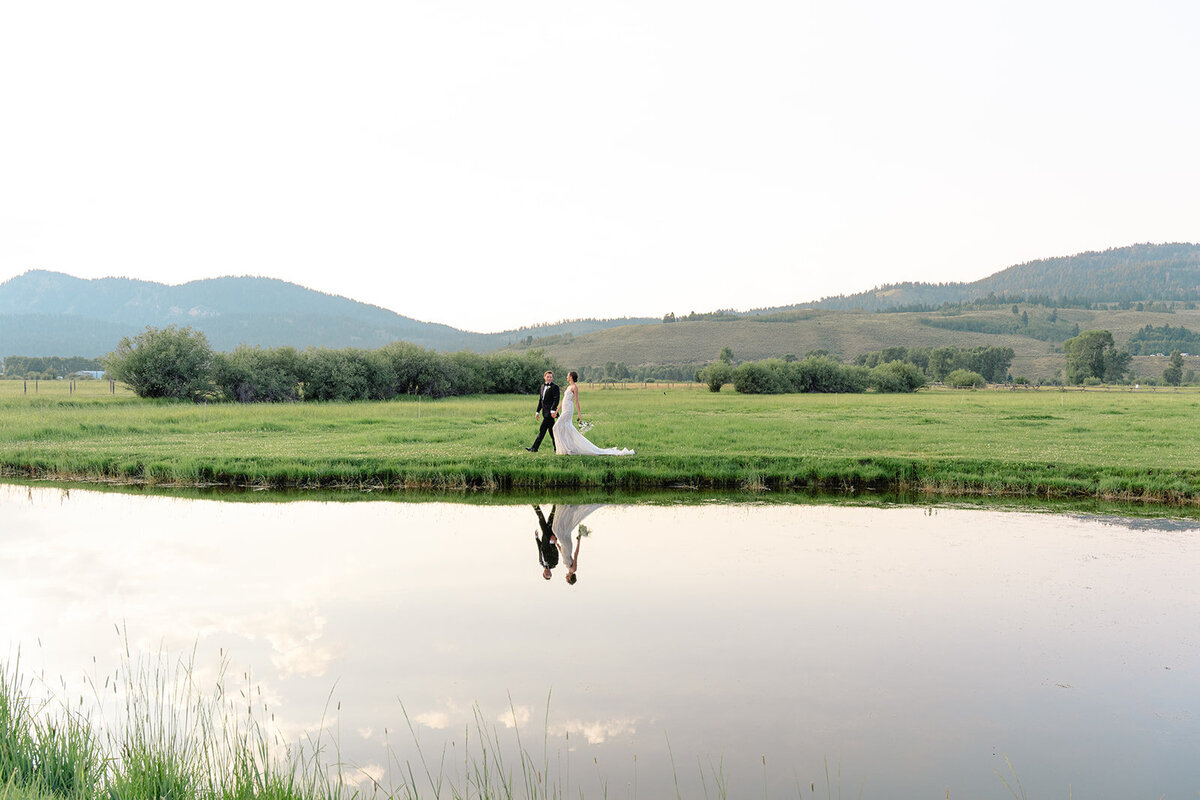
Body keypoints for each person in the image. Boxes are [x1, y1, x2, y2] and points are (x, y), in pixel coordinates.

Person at [553, 371, 635, 456]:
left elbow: (576, 401)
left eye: (568, 375)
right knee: (564, 428)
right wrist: (557, 410)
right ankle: (567, 449)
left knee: (556, 427)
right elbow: (563, 399)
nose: (567, 377)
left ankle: (565, 449)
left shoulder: (574, 387)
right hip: (564, 408)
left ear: (571, 377)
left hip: (568, 410)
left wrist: (579, 415)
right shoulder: (569, 386)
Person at [550, 504, 604, 585]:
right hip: (568, 548)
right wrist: (579, 541)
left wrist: (556, 543)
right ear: (570, 578)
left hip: (565, 548)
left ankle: (568, 509)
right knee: (556, 530)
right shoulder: (573, 569)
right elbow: (575, 554)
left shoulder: (568, 568)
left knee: (558, 530)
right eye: (567, 579)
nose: (566, 578)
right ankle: (568, 508)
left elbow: (562, 553)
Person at [526, 370, 560, 452]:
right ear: (544, 377)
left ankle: (534, 448)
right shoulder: (542, 386)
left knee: (542, 430)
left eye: (551, 377)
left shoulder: (555, 387)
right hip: (544, 412)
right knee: (552, 432)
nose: (549, 378)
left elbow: (556, 399)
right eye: (548, 377)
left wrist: (553, 410)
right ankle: (557, 448)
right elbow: (541, 400)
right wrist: (537, 412)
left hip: (550, 413)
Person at [533, 504, 559, 580]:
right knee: (549, 519)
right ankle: (556, 504)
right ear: (551, 573)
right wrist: (552, 543)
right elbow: (555, 552)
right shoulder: (554, 564)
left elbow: (540, 549)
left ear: (543, 573)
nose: (548, 573)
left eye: (546, 574)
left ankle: (535, 504)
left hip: (544, 537)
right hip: (551, 537)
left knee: (543, 519)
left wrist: (537, 538)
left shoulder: (541, 562)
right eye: (549, 574)